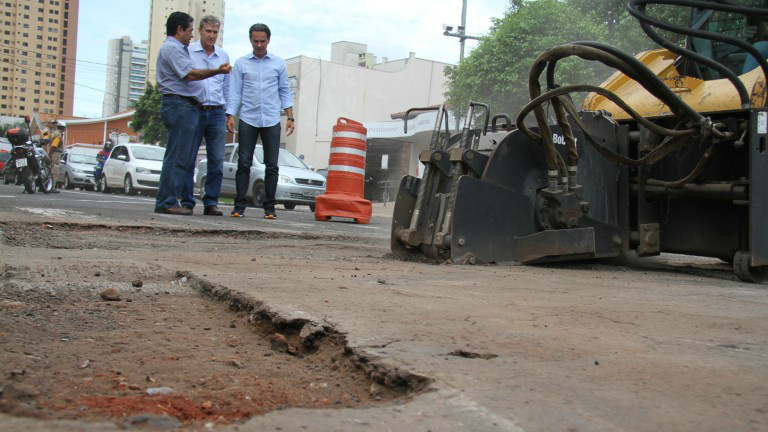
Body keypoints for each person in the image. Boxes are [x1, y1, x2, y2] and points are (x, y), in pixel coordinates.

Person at [154, 11, 231, 216]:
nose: (190, 36)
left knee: (184, 156)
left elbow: (225, 88)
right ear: (180, 30)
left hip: (194, 108)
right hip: (181, 106)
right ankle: (167, 201)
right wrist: (217, 71)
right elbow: (190, 74)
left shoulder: (179, 48)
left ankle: (171, 200)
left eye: (216, 31)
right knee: (179, 157)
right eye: (189, 30)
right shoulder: (175, 49)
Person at [226, 23, 295, 219]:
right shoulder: (241, 63)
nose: (259, 45)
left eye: (262, 41)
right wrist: (230, 115)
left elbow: (285, 91)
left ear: (268, 40)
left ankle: (269, 208)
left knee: (272, 165)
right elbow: (235, 93)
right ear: (250, 40)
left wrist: (290, 117)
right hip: (248, 118)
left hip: (272, 119)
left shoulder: (279, 63)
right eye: (255, 41)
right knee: (244, 163)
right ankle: (239, 207)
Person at [180, 15, 229, 217]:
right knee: (188, 158)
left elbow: (228, 88)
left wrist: (228, 113)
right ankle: (187, 202)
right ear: (200, 30)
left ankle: (211, 202)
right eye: (208, 31)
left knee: (217, 160)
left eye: (215, 32)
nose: (211, 35)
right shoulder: (189, 52)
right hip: (195, 109)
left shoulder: (223, 56)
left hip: (217, 112)